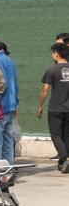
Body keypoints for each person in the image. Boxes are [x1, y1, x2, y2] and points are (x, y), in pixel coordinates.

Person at [37, 42, 69, 173]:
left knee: (56, 135)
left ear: (57, 54)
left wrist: (40, 106)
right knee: (66, 135)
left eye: (52, 53)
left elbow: (45, 89)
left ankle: (64, 158)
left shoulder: (52, 70)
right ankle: (62, 163)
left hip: (55, 108)